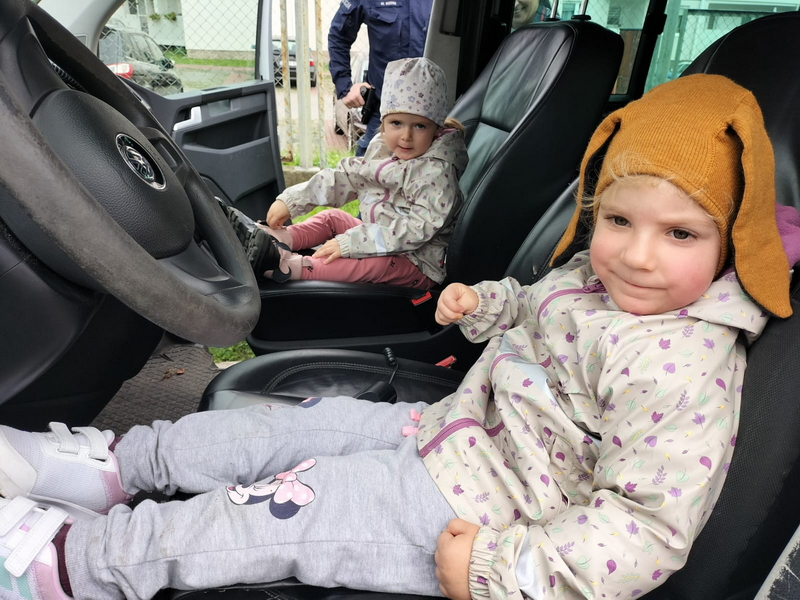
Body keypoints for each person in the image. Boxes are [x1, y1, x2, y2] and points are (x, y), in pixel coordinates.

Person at [0, 74, 796, 600]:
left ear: (733, 238)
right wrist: (484, 304)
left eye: (681, 233)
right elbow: (536, 307)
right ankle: (115, 464)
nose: (638, 255)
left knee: (287, 506)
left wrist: (498, 570)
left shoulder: (686, 365)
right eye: (618, 220)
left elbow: (646, 528)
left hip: (484, 511)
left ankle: (73, 567)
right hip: (452, 429)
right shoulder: (593, 277)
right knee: (286, 429)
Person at [246, 57, 468, 288]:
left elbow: (416, 229)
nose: (406, 136)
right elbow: (346, 177)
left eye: (420, 126)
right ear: (383, 122)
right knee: (332, 218)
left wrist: (352, 243)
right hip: (378, 237)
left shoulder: (436, 173)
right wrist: (293, 201)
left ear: (436, 129)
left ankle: (286, 265)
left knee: (369, 262)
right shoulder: (384, 149)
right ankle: (276, 238)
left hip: (417, 261)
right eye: (396, 123)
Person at [328, 0, 433, 156]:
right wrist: (345, 85)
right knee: (368, 169)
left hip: (433, 113)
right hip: (384, 113)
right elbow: (339, 36)